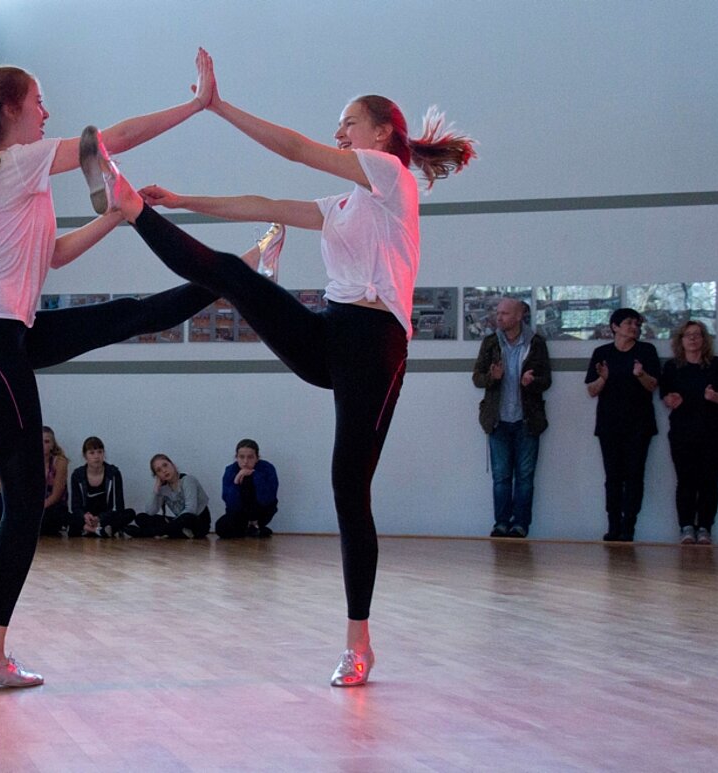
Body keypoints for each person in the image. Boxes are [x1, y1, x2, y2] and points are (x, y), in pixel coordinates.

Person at [79, 49, 474, 686]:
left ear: (381, 134)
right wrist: (181, 199)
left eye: (349, 122)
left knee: (349, 487)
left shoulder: (392, 179)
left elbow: (292, 149)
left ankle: (359, 643)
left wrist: (217, 106)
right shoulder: (344, 205)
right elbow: (261, 202)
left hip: (376, 347)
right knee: (232, 274)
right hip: (329, 335)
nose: (339, 131)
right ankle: (134, 208)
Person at [0, 52, 222, 688]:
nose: (47, 111)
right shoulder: (17, 161)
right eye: (38, 102)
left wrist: (115, 214)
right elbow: (112, 139)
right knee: (27, 500)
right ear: (12, 111)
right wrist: (196, 106)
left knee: (123, 316)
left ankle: (231, 279)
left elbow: (51, 254)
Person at [471, 298, 552, 539]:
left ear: (519, 316)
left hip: (527, 421)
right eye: (498, 313)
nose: (499, 317)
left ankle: (520, 525)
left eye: (505, 313)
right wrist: (492, 377)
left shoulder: (536, 343)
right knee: (501, 477)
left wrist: (531, 382)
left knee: (525, 477)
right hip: (498, 421)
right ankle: (501, 524)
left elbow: (546, 381)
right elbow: (477, 378)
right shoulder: (490, 343)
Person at [585, 308, 661, 542]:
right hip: (609, 424)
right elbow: (591, 390)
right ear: (615, 327)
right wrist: (603, 378)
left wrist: (640, 374)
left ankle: (629, 526)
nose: (634, 327)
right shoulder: (601, 353)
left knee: (634, 476)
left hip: (640, 424)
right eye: (629, 323)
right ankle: (613, 525)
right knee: (613, 477)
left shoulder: (646, 351)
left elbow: (653, 385)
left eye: (637, 324)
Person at [660, 321, 718, 545]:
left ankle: (705, 528)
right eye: (688, 335)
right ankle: (686, 526)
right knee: (686, 481)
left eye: (697, 334)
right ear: (680, 340)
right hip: (682, 432)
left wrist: (714, 397)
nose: (692, 339)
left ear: (704, 339)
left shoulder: (716, 365)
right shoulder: (672, 367)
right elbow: (665, 396)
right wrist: (671, 400)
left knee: (709, 481)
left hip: (713, 432)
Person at [130, 454, 211, 539]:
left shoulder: (188, 480)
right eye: (159, 470)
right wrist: (156, 489)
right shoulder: (163, 488)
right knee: (141, 517)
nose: (164, 470)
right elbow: (150, 512)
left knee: (186, 517)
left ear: (173, 465)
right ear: (157, 476)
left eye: (165, 465)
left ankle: (147, 533)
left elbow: (191, 509)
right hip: (178, 523)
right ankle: (176, 532)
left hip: (197, 522)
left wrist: (171, 523)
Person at [68, 436, 133, 537]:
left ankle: (92, 529)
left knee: (130, 513)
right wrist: (84, 516)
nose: (96, 456)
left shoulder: (113, 473)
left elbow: (118, 506)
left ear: (103, 453)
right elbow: (75, 506)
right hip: (87, 517)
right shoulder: (77, 475)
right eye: (92, 453)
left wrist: (100, 518)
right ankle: (97, 530)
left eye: (100, 452)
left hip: (106, 516)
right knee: (67, 516)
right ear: (85, 456)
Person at [215, 438, 279, 538]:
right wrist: (236, 481)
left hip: (262, 511)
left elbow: (267, 499)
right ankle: (250, 529)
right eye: (241, 457)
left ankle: (254, 526)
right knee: (221, 528)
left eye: (250, 457)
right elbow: (230, 503)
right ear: (236, 457)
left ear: (257, 458)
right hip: (239, 512)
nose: (245, 461)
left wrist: (255, 475)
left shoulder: (267, 469)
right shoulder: (230, 470)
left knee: (249, 482)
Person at [40, 427, 69, 536]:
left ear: (53, 445)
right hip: (35, 506)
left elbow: (56, 495)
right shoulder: (30, 462)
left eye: (47, 442)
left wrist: (39, 507)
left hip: (54, 506)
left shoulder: (60, 462)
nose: (43, 445)